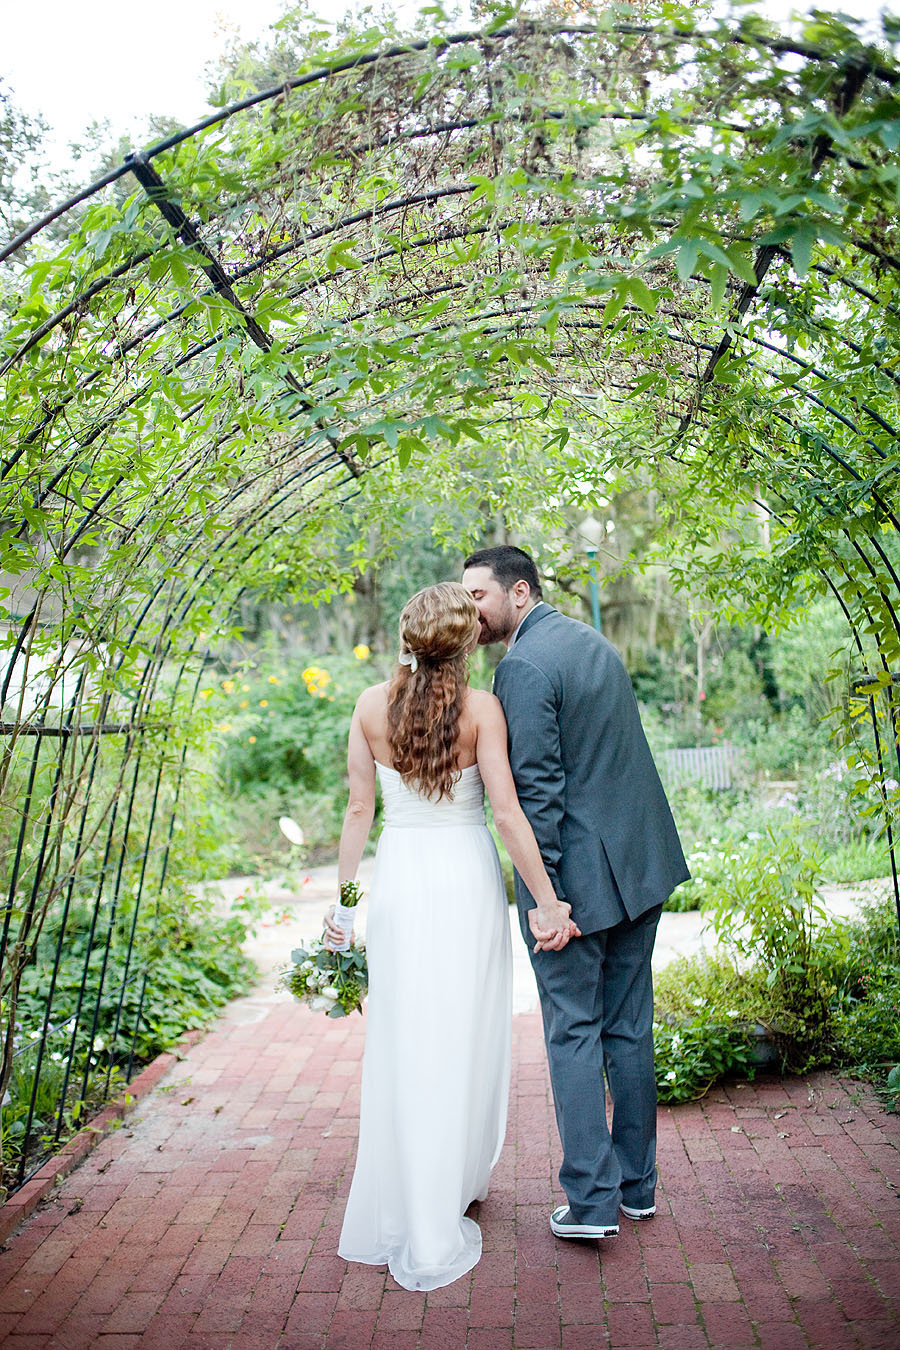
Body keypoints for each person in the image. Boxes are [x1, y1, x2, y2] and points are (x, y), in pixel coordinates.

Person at [323, 581, 578, 1292]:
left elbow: (356, 813)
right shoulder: (482, 708)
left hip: (402, 884)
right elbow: (505, 814)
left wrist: (344, 911)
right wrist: (550, 901)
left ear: (406, 637)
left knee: (406, 1038)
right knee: (463, 1033)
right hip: (465, 884)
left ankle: (419, 1185)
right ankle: (451, 1184)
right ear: (467, 642)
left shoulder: (371, 706)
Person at [462, 546, 689, 1241]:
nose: (469, 610)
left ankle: (591, 1205)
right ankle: (637, 1189)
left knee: (573, 1031)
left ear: (519, 591)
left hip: (579, 887)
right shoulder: (590, 641)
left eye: (477, 596)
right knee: (628, 1029)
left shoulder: (522, 667)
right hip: (640, 867)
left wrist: (546, 899)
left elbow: (536, 796)